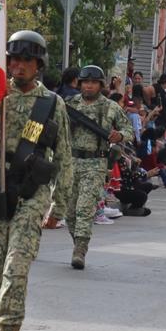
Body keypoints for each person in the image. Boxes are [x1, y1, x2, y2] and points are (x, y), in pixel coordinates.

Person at [0, 30, 74, 331]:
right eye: (13, 60)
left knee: (15, 269)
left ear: (39, 65)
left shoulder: (51, 103)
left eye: (26, 61)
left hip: (31, 193)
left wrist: (59, 206)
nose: (18, 66)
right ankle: (7, 325)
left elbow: (63, 155)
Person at [63, 65, 133, 269]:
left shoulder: (110, 107)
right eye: (86, 82)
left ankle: (80, 250)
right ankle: (78, 241)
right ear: (80, 83)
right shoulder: (70, 104)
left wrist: (119, 136)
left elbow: (128, 129)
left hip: (95, 162)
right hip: (71, 161)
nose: (89, 86)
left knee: (85, 208)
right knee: (70, 211)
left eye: (93, 82)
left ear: (101, 85)